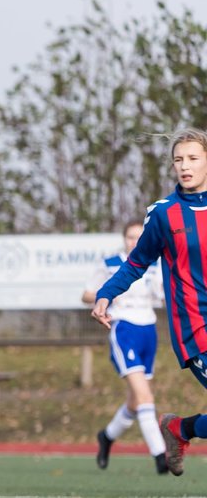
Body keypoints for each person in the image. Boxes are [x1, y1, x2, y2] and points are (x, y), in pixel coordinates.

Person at [93, 127, 207, 477]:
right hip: (195, 327)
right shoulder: (164, 214)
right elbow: (137, 263)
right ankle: (179, 431)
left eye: (192, 158)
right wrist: (105, 294)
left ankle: (180, 430)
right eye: (178, 160)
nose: (184, 166)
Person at [83, 221, 167, 474]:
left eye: (139, 238)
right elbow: (87, 294)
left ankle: (107, 437)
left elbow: (162, 296)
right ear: (124, 239)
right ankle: (160, 454)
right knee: (144, 396)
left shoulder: (153, 263)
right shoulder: (110, 264)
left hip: (148, 329)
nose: (134, 242)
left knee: (135, 401)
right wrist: (108, 294)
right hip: (124, 328)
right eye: (130, 237)